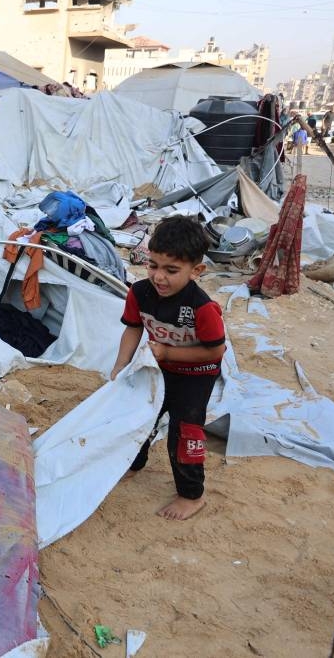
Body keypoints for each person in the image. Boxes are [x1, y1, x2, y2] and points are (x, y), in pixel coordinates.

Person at [110, 215, 226, 521]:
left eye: (171, 270)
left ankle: (192, 494)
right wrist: (121, 365)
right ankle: (134, 464)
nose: (159, 277)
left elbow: (216, 351)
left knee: (184, 431)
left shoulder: (202, 308)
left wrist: (169, 352)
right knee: (139, 417)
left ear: (196, 270)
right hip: (158, 369)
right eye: (153, 265)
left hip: (196, 376)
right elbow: (133, 328)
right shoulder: (139, 292)